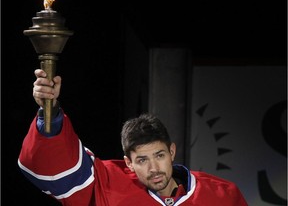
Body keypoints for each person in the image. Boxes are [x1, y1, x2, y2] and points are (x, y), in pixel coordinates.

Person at [18, 69, 248, 206]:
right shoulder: (109, 185)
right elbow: (56, 167)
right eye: (142, 160)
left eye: (159, 155)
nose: (154, 168)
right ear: (128, 163)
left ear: (172, 152)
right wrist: (51, 109)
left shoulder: (222, 195)